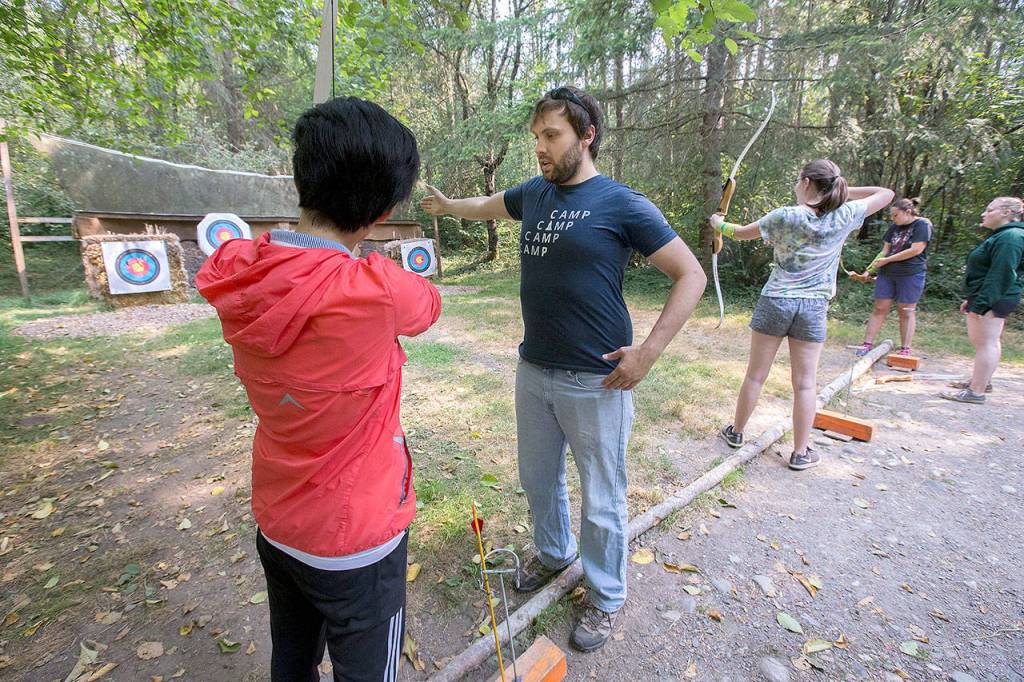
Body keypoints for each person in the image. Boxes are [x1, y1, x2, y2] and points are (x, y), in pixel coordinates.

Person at [420, 86, 707, 652]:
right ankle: (554, 556)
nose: (541, 149)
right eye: (536, 138)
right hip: (535, 371)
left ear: (586, 136)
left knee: (602, 496)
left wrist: (646, 353)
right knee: (538, 479)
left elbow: (690, 274)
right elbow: (490, 205)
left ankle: (605, 596)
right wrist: (450, 206)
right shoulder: (535, 194)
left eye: (552, 136)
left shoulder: (622, 203)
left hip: (597, 379)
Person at [196, 97, 441, 681]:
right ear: (382, 209)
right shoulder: (377, 288)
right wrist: (374, 262)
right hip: (356, 540)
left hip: (279, 521)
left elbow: (278, 259)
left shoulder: (238, 266)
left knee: (293, 659)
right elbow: (428, 305)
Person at [712, 160, 894, 470]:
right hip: (813, 307)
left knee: (756, 374)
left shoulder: (786, 216)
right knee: (805, 384)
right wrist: (842, 189)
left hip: (776, 301)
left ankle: (737, 432)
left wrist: (717, 223)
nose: (796, 185)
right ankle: (800, 452)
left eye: (798, 180)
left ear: (807, 181)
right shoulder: (845, 214)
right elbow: (886, 193)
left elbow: (740, 233)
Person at [940, 196, 1024, 403]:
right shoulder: (1004, 235)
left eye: (989, 209)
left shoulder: (1011, 237)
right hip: (991, 296)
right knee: (989, 342)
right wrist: (973, 299)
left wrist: (982, 303)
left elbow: (1002, 273)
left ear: (1006, 213)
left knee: (986, 343)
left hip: (994, 298)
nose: (983, 214)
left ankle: (975, 392)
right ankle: (982, 382)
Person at [852, 197, 932, 357]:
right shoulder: (894, 227)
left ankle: (905, 349)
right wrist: (869, 270)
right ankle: (867, 344)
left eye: (895, 215)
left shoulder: (922, 225)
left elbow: (916, 250)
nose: (892, 218)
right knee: (879, 308)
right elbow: (884, 251)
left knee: (906, 311)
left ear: (908, 212)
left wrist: (887, 260)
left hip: (911, 273)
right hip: (887, 273)